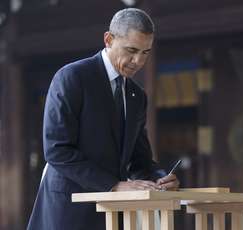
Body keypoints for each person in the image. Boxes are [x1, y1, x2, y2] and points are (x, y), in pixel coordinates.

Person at [27, 8, 179, 230]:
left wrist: (161, 178)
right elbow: (57, 149)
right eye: (131, 50)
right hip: (68, 206)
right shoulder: (73, 77)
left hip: (112, 210)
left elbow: (140, 159)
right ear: (108, 39)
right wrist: (113, 185)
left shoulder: (137, 95)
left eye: (145, 52)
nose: (138, 61)